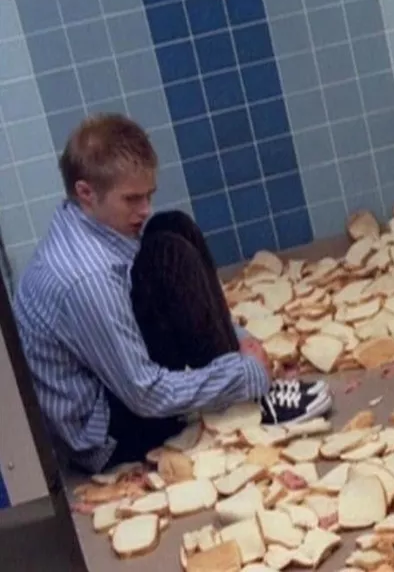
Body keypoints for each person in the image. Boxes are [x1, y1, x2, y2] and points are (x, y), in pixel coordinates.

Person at [12, 114, 332, 474]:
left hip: (110, 386)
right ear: (86, 191)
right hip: (106, 438)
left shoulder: (85, 221)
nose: (144, 209)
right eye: (131, 199)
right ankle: (251, 398)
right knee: (168, 255)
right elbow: (145, 393)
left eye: (148, 195)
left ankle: (237, 377)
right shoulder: (87, 278)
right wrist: (244, 374)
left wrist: (237, 340)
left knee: (172, 226)